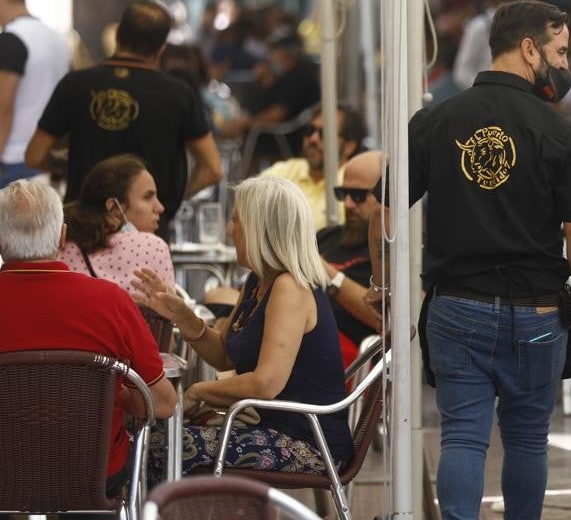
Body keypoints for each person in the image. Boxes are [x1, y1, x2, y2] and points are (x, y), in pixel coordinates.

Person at [366, 0, 571, 520]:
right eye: (560, 51)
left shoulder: (437, 120)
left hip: (456, 305)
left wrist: (384, 286)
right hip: (539, 311)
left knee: (463, 437)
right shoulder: (559, 131)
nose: (564, 64)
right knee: (526, 440)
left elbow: (382, 214)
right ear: (529, 49)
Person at [0, 179, 175, 520]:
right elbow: (164, 402)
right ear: (62, 237)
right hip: (89, 471)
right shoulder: (110, 302)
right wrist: (106, 398)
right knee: (101, 441)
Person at [137, 176, 353, 481]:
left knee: (155, 445)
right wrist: (181, 313)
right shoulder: (259, 280)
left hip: (306, 442)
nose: (229, 229)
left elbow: (265, 384)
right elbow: (225, 356)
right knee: (151, 438)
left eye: (236, 220)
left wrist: (200, 391)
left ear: (259, 228)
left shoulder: (290, 287)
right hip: (271, 428)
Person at [25, 0, 224, 233]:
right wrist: (166, 204)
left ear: (118, 33)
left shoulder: (74, 85)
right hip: (148, 235)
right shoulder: (178, 94)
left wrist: (66, 166)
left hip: (84, 230)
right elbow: (212, 169)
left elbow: (35, 156)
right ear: (161, 49)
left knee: (82, 272)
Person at [59, 154, 174, 300]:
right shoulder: (155, 246)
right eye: (147, 197)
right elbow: (172, 315)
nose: (160, 207)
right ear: (114, 207)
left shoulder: (60, 246)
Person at [0, 0, 71, 188]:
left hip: (12, 158)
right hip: (46, 157)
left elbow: (3, 106)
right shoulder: (58, 39)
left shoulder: (11, 39)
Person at [319, 150, 384, 366]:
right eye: (343, 193)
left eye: (357, 196)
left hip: (346, 359)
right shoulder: (327, 236)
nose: (347, 204)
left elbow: (384, 318)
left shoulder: (399, 254)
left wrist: (328, 275)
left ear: (387, 195)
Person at [261, 104, 367, 231]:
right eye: (310, 130)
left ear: (349, 146)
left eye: (324, 133)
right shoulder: (283, 170)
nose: (313, 139)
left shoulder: (352, 189)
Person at [223, 33, 321, 139]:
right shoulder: (289, 75)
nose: (274, 57)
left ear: (288, 54)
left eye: (276, 52)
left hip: (281, 136)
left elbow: (278, 113)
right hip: (274, 131)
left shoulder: (298, 78)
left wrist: (245, 123)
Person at [453, 0, 534, 91]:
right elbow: (462, 71)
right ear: (502, 1)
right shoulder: (479, 27)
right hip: (484, 96)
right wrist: (485, 91)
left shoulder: (528, 27)